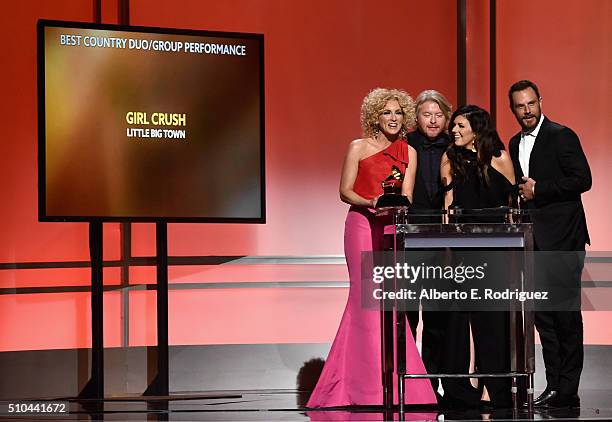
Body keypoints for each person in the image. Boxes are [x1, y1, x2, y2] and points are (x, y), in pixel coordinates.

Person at [306, 88, 436, 407]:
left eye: (398, 113)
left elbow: (407, 196)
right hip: (362, 223)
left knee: (390, 300)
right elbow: (344, 191)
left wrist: (394, 207)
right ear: (375, 116)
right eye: (387, 113)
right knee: (365, 297)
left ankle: (396, 382)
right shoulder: (358, 147)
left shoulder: (410, 152)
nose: (393, 118)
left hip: (392, 228)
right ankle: (360, 386)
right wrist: (370, 203)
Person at [507, 80, 591, 408]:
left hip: (564, 239)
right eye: (520, 106)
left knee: (565, 315)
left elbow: (582, 179)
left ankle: (568, 389)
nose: (527, 110)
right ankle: (554, 385)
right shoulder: (514, 143)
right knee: (543, 316)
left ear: (540, 101)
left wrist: (539, 190)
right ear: (512, 109)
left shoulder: (562, 135)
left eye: (531, 103)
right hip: (533, 241)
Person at [440, 105, 516, 408]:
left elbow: (512, 207)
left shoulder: (499, 158)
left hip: (495, 250)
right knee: (463, 317)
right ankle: (464, 386)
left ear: (476, 129)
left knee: (493, 319)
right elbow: (447, 205)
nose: (454, 131)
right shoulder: (451, 158)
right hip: (462, 249)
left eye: (460, 126)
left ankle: (494, 386)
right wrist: (446, 248)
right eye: (454, 126)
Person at [406, 90, 452, 394]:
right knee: (408, 313)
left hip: (445, 239)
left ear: (446, 118)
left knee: (438, 314)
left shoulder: (457, 144)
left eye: (438, 114)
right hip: (410, 237)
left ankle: (433, 383)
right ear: (417, 117)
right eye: (427, 114)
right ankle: (409, 381)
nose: (433, 120)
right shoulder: (404, 145)